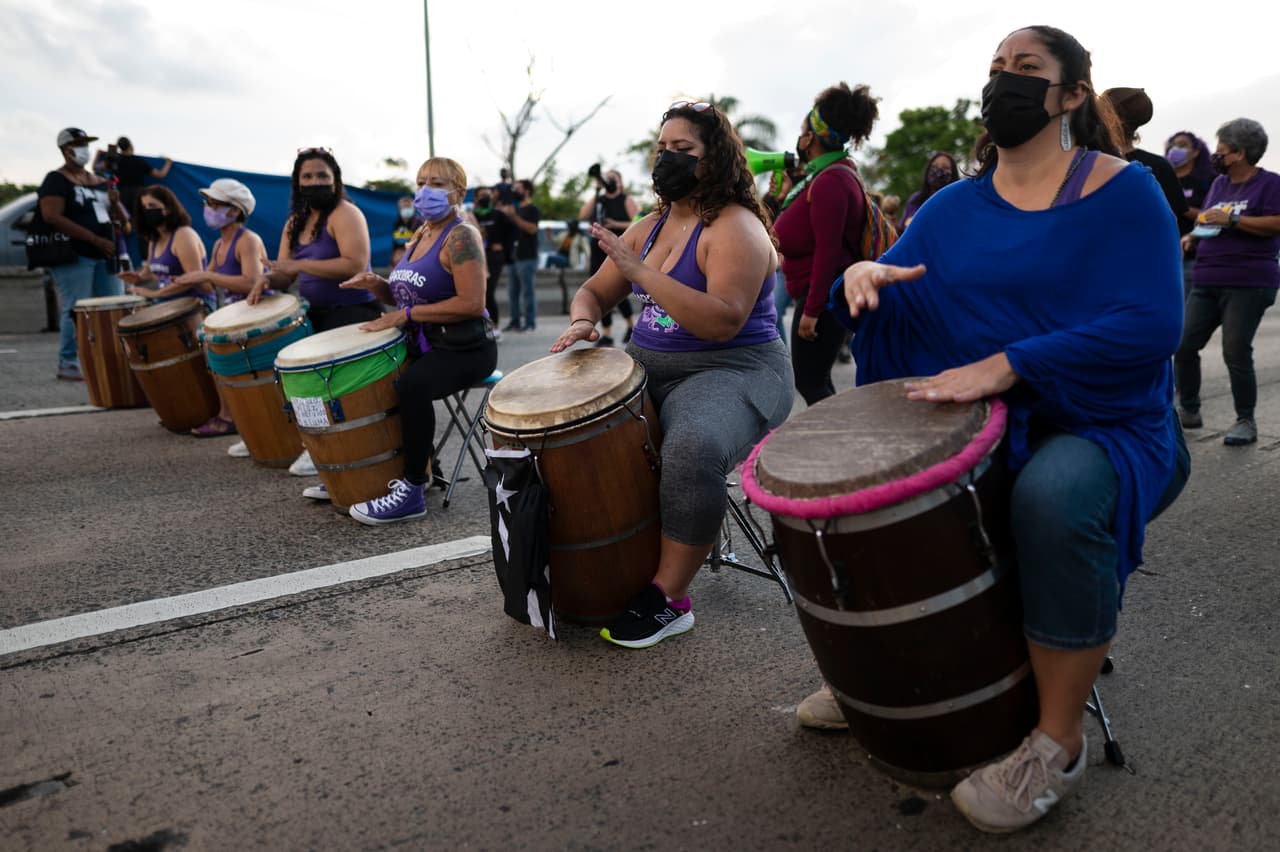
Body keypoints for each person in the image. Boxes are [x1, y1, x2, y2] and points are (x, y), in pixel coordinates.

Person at [809, 25, 1189, 833]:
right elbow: (896, 278)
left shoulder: (1125, 191)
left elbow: (1154, 323)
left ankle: (1056, 740)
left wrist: (1012, 361)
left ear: (1072, 95)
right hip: (989, 419)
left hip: (1109, 420)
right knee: (877, 489)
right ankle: (894, 680)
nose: (1003, 83)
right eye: (994, 69)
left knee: (1050, 497)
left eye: (1026, 69)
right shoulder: (951, 208)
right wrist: (861, 274)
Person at [550, 100, 793, 649]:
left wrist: (639, 272)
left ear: (716, 161)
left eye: (683, 151)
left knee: (692, 445)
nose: (668, 160)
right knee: (576, 429)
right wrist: (585, 321)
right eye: (662, 150)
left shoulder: (736, 227)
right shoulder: (650, 225)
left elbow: (723, 320)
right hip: (649, 368)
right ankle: (607, 564)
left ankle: (670, 598)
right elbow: (592, 290)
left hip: (736, 370)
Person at [337, 157, 497, 524]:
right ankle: (358, 475)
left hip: (466, 347)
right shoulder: (421, 231)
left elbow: (472, 303)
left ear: (459, 192)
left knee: (412, 385)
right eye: (421, 181)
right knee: (374, 377)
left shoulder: (461, 235)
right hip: (429, 342)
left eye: (437, 183)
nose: (425, 190)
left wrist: (405, 316)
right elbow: (408, 295)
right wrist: (377, 284)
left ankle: (411, 490)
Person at [250, 148, 377, 478]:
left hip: (354, 311)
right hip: (315, 313)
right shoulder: (295, 222)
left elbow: (354, 264)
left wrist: (298, 264)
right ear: (297, 182)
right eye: (307, 176)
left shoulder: (346, 214)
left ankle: (343, 451)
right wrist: (266, 280)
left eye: (322, 175)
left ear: (335, 180)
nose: (315, 182)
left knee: (339, 389)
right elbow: (285, 273)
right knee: (298, 379)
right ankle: (318, 447)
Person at [773, 82, 882, 406]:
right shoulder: (828, 174)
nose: (800, 135)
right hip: (821, 294)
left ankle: (839, 448)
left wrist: (812, 310)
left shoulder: (831, 181)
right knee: (815, 382)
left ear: (812, 136)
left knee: (811, 383)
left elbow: (828, 251)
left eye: (804, 128)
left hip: (825, 297)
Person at [1174, 118, 1280, 447]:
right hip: (1207, 277)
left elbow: (1276, 222)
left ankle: (1245, 420)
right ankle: (1188, 410)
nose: (1216, 156)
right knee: (1183, 344)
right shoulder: (1219, 185)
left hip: (1247, 281)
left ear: (1240, 153)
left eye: (1222, 151)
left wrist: (1234, 218)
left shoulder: (1270, 184)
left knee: (1235, 350)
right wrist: (1193, 235)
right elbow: (1209, 220)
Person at [170, 179, 270, 448]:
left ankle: (231, 419)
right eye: (208, 203)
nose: (208, 209)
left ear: (234, 211)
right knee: (214, 360)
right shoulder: (218, 244)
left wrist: (205, 273)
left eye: (215, 204)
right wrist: (183, 280)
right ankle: (231, 417)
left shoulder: (247, 240)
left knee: (229, 365)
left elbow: (252, 281)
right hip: (235, 312)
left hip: (256, 312)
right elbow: (209, 281)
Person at [38, 127, 129, 381]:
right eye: (78, 144)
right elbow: (51, 215)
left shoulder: (100, 181)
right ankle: (69, 361)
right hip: (75, 254)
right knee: (76, 307)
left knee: (114, 306)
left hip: (106, 254)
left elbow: (125, 222)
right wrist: (93, 239)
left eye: (85, 143)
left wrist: (115, 203)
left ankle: (114, 358)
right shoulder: (56, 180)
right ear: (66, 150)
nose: (83, 149)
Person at [1101, 88, 1190, 234]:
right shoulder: (1159, 165)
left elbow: (1172, 219)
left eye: (1100, 111)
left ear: (1115, 118)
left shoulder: (1100, 164)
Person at [118, 187, 213, 311]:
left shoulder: (183, 235)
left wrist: (156, 293)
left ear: (168, 208)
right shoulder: (155, 238)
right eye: (144, 207)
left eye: (152, 205)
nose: (147, 210)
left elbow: (193, 278)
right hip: (167, 302)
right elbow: (152, 272)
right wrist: (139, 277)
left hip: (194, 304)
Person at [579, 167, 639, 346]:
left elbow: (639, 222)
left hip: (619, 246)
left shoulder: (626, 200)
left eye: (613, 178)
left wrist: (616, 224)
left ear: (620, 182)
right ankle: (607, 334)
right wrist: (596, 191)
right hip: (598, 248)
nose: (609, 181)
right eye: (607, 178)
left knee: (617, 288)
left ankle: (631, 326)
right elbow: (583, 215)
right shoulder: (600, 199)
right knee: (600, 290)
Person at [1165, 130, 1218, 293]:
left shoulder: (1207, 181)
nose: (1175, 149)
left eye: (1182, 145)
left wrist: (1183, 208)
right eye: (1172, 145)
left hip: (1194, 255)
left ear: (1196, 152)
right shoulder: (1162, 178)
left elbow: (1215, 216)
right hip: (1166, 253)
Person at [497, 179, 540, 332]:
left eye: (518, 188)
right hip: (513, 257)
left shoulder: (532, 209)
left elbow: (532, 229)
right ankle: (515, 321)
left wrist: (514, 216)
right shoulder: (515, 209)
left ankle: (530, 323)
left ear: (527, 191)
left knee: (527, 292)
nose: (515, 191)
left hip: (527, 257)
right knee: (512, 292)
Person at [472, 185, 514, 338]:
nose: (486, 197)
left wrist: (503, 247)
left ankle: (495, 326)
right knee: (477, 293)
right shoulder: (472, 216)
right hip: (476, 259)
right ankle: (480, 326)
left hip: (494, 258)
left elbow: (513, 232)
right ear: (476, 198)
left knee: (488, 292)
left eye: (488, 194)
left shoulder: (498, 215)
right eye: (482, 195)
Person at [900, 152, 960, 228]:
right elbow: (901, 231)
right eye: (934, 166)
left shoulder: (957, 205)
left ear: (953, 175)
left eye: (945, 168)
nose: (939, 170)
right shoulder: (915, 200)